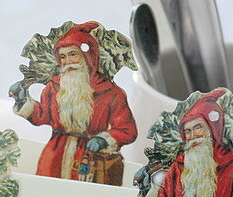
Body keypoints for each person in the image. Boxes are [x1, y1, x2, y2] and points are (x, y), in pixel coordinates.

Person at [9, 22, 137, 182]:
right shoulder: (53, 88)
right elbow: (42, 116)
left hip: (92, 160)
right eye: (62, 57)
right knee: (49, 192)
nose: (68, 61)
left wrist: (104, 139)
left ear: (88, 56)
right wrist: (23, 100)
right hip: (55, 155)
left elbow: (127, 129)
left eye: (73, 54)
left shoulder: (111, 93)